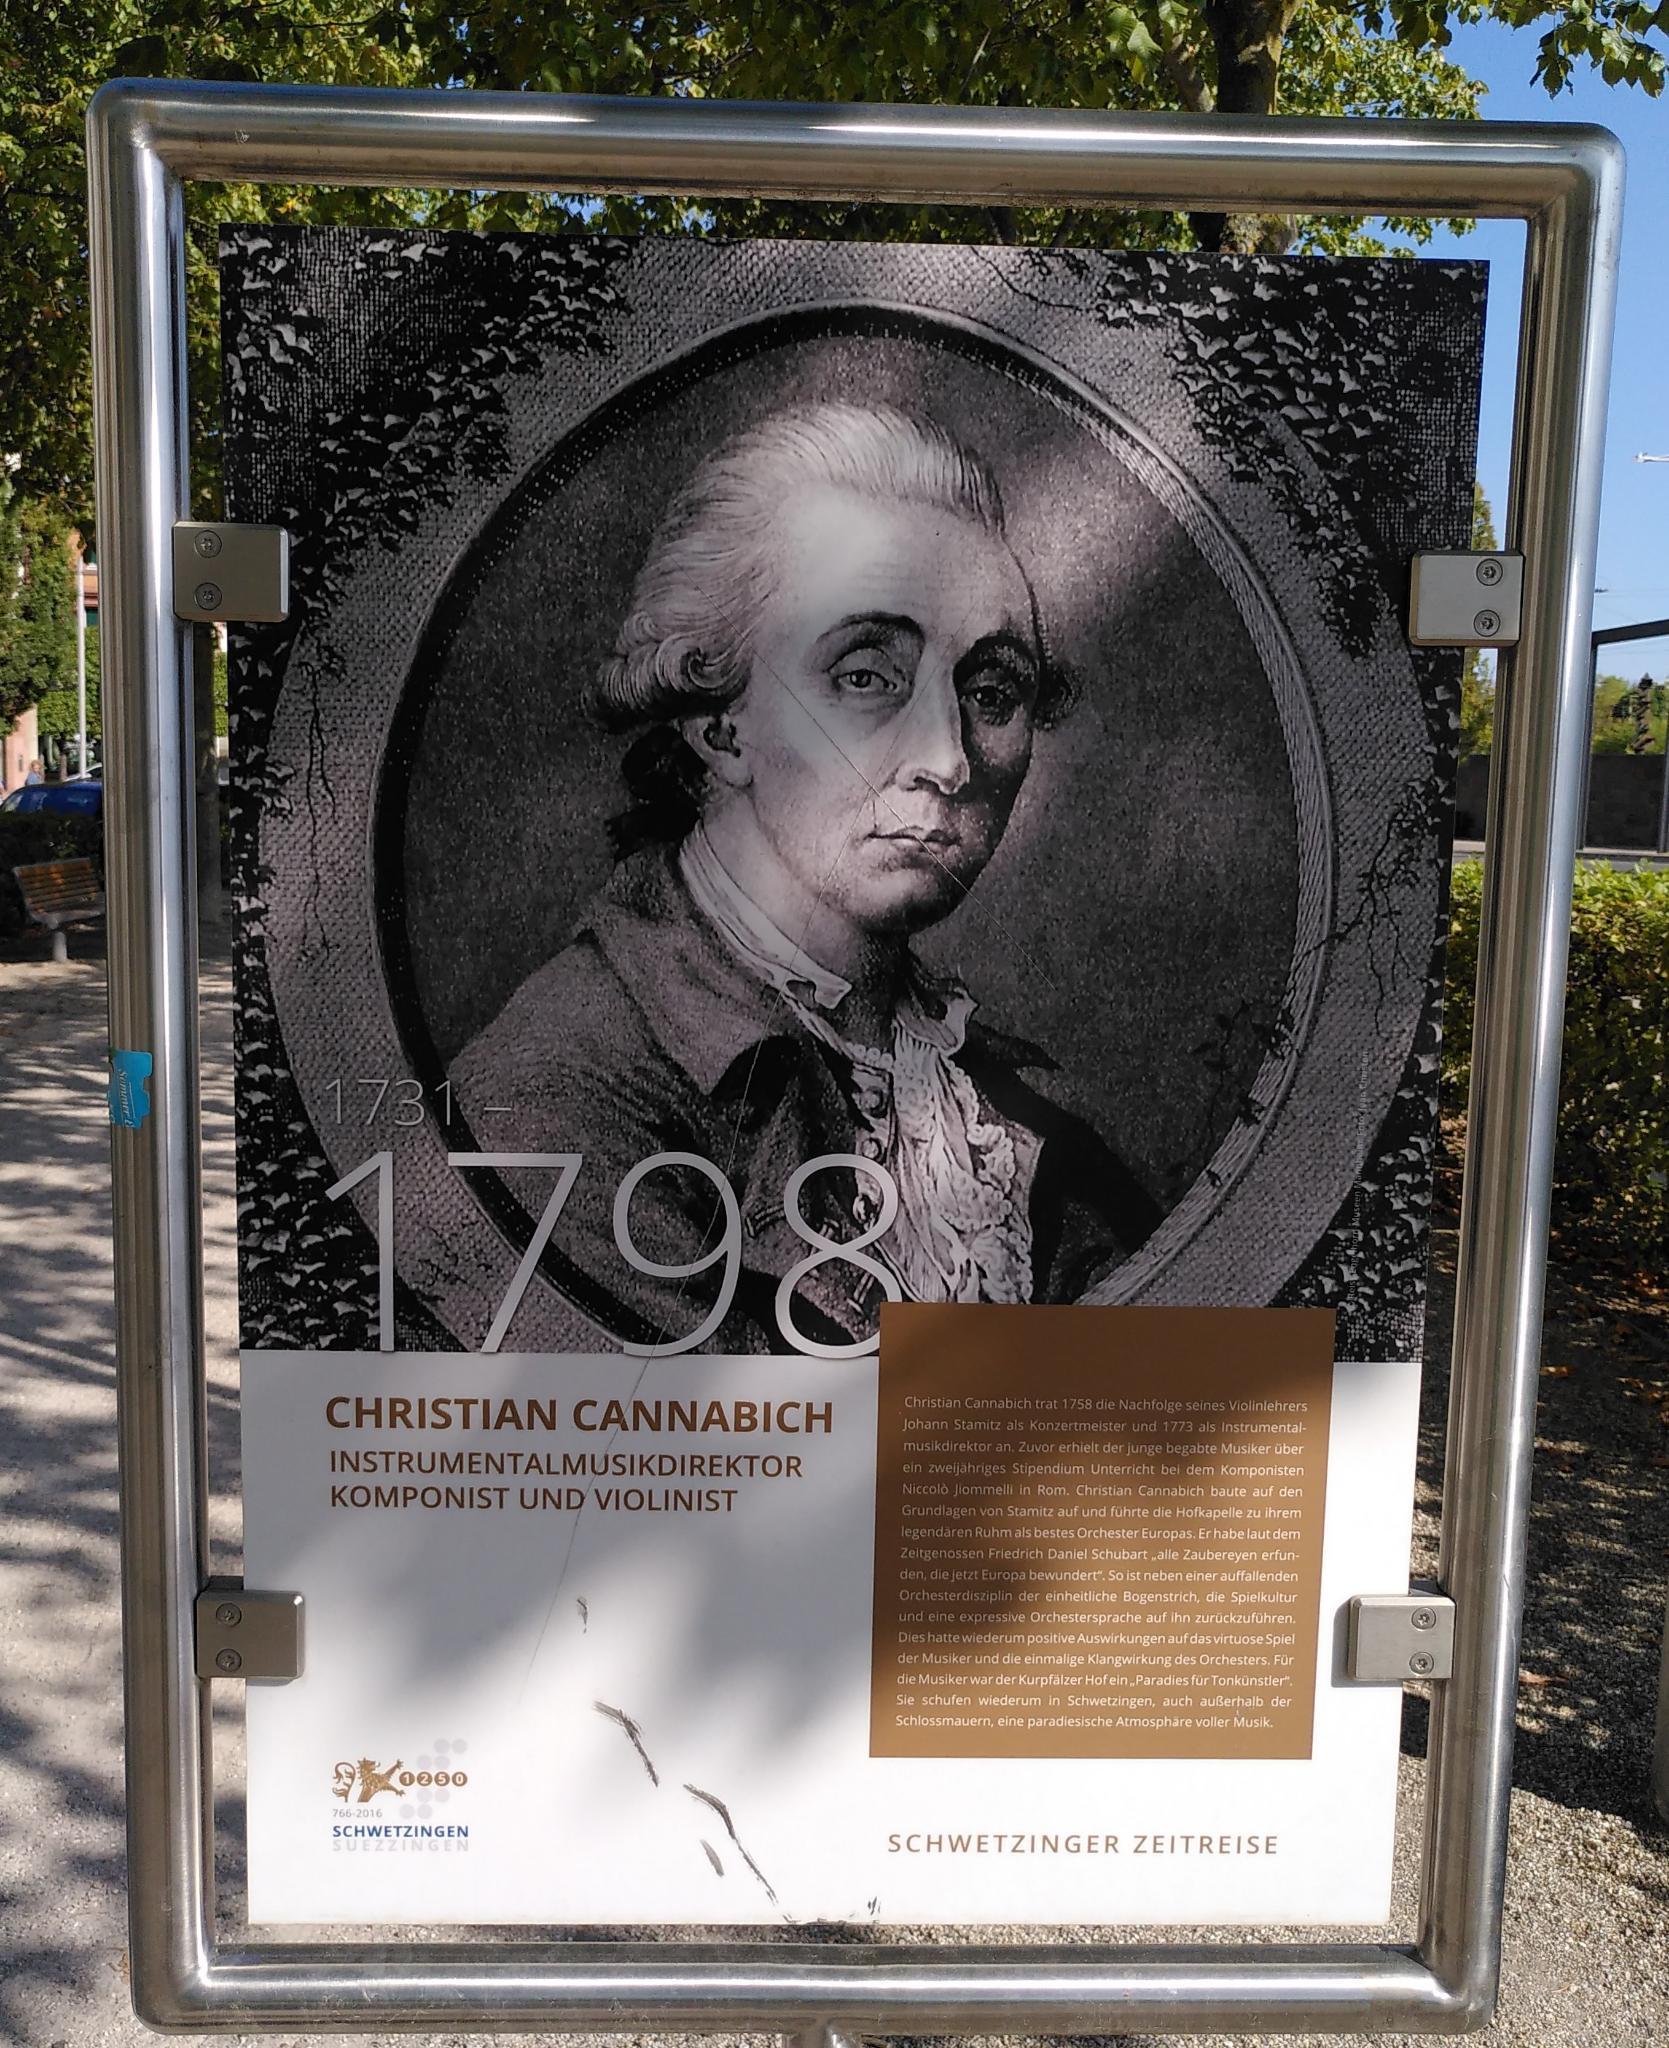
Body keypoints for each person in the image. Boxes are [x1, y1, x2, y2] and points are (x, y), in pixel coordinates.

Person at [450, 402, 1158, 1350]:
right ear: (719, 724)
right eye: (865, 676)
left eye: (991, 692)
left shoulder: (995, 1110)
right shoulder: (556, 1093)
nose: (948, 760)